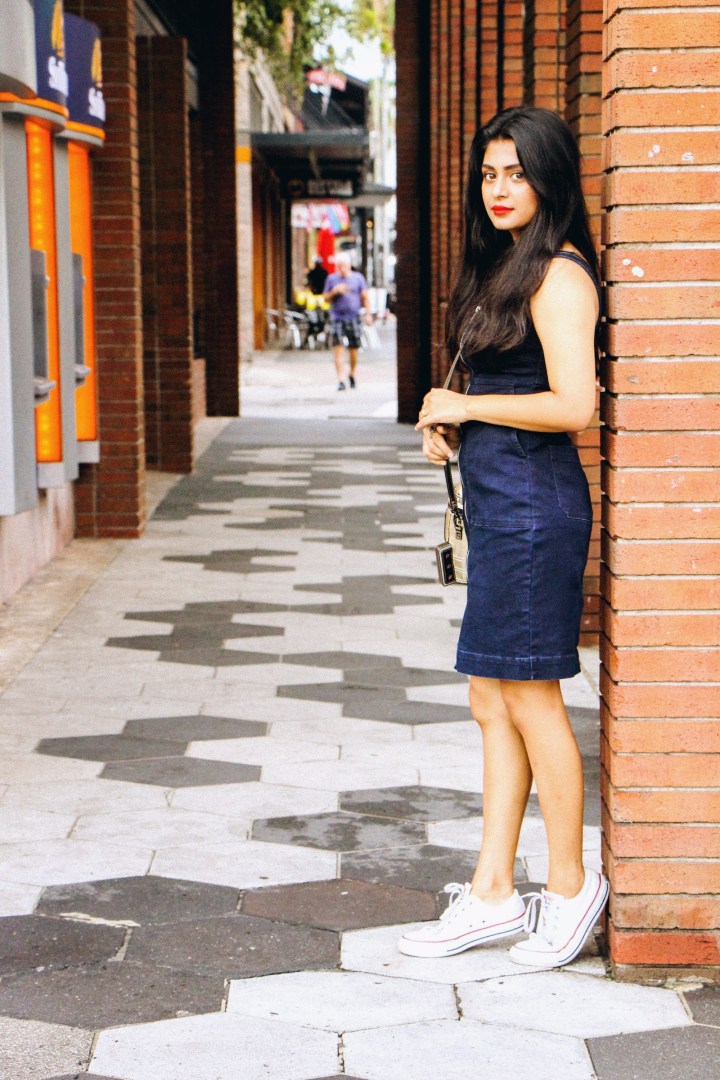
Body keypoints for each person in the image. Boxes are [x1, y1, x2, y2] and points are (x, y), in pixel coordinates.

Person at [401, 105, 608, 969]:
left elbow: (575, 405)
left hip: (533, 510)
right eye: (489, 173)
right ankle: (492, 891)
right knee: (490, 699)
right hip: (501, 505)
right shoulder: (503, 269)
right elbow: (491, 383)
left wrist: (470, 404)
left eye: (516, 172)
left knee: (531, 699)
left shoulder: (560, 276)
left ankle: (569, 889)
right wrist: (442, 420)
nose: (498, 188)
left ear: (549, 179)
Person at [323, 252, 370, 390]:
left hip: (353, 316)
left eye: (344, 265)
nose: (342, 268)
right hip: (337, 317)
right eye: (339, 266)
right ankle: (341, 379)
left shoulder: (358, 278)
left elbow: (364, 297)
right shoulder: (332, 279)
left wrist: (368, 314)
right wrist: (334, 292)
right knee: (337, 347)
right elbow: (325, 298)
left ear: (349, 265)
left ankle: (352, 372)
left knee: (354, 348)